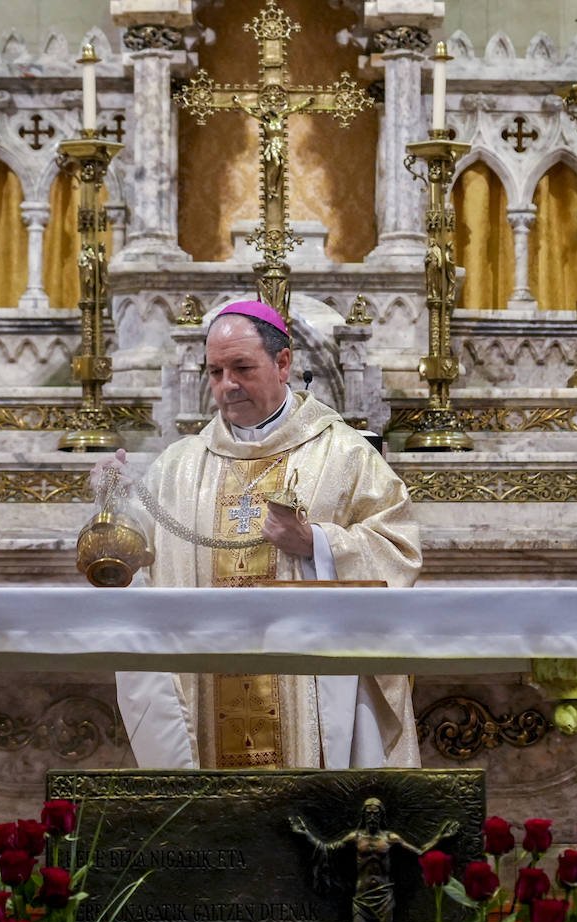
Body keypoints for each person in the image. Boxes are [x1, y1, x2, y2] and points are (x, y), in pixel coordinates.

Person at [103, 299, 422, 770]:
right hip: (208, 685)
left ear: (283, 363)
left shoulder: (344, 454)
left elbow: (399, 550)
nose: (227, 385)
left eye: (242, 368)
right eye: (215, 372)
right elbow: (127, 558)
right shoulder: (179, 466)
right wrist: (112, 501)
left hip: (312, 698)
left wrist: (316, 543)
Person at [289, 799, 458, 922]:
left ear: (381, 816)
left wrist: (440, 838)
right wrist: (306, 833)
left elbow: (418, 853)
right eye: (368, 813)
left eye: (375, 813)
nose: (372, 817)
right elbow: (328, 849)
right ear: (363, 816)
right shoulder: (355, 837)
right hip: (361, 898)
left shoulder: (390, 838)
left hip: (384, 897)